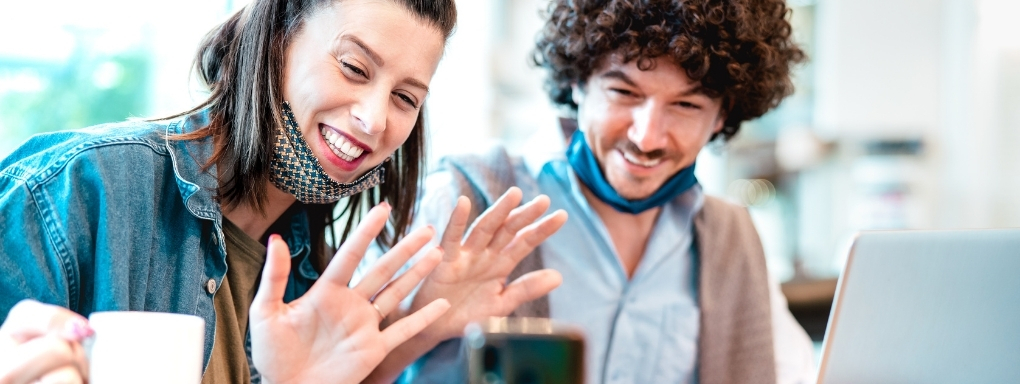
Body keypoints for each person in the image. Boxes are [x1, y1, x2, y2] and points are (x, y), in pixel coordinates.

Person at [0, 0, 566, 383]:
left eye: (405, 98)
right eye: (353, 67)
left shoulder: (316, 280)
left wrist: (410, 327)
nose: (373, 119)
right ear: (277, 37)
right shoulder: (76, 188)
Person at [359, 0, 816, 383]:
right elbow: (349, 370)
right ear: (578, 82)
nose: (648, 136)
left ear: (722, 116)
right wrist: (416, 330)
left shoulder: (732, 239)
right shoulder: (463, 200)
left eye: (686, 105)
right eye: (624, 92)